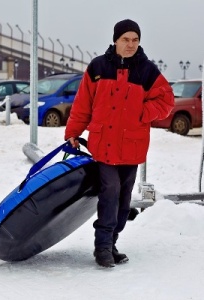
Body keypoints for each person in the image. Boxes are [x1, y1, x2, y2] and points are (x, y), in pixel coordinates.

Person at [64, 19, 174, 268]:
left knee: (124, 199)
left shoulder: (147, 71)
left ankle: (111, 241)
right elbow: (83, 104)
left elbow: (166, 102)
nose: (130, 44)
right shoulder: (98, 67)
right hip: (103, 145)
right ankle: (102, 247)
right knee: (109, 192)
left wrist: (142, 112)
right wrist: (73, 132)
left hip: (132, 146)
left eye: (135, 40)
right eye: (125, 39)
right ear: (115, 40)